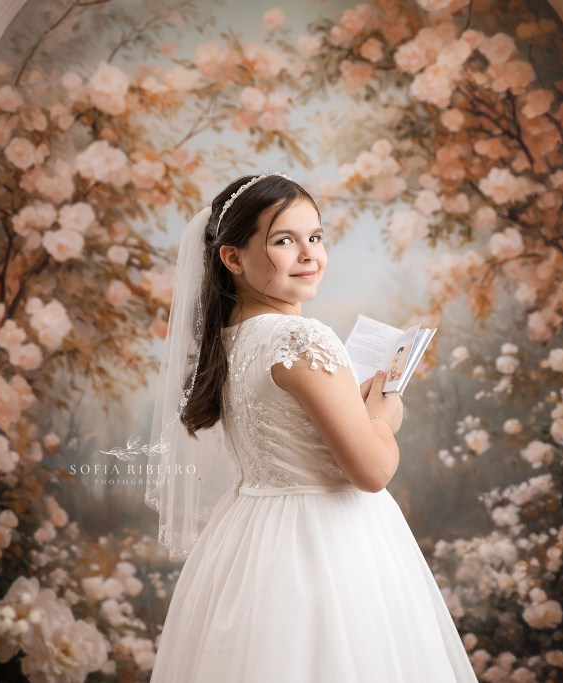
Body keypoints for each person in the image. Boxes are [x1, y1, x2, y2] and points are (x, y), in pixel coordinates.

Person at [145, 172, 479, 682]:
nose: (308, 254)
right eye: (284, 240)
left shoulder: (231, 339)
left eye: (315, 237)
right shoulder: (299, 337)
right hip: (322, 545)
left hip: (250, 535)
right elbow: (370, 470)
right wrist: (384, 417)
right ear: (232, 258)